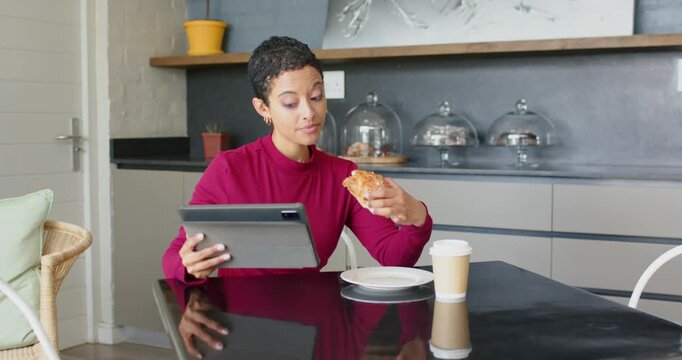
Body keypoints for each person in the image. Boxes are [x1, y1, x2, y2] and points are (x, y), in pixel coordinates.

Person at [162, 36, 432, 283]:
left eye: (316, 97)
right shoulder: (230, 169)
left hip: (315, 319)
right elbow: (174, 257)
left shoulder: (344, 175)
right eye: (290, 103)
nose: (309, 112)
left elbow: (393, 257)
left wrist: (416, 217)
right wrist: (188, 265)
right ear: (263, 108)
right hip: (244, 318)